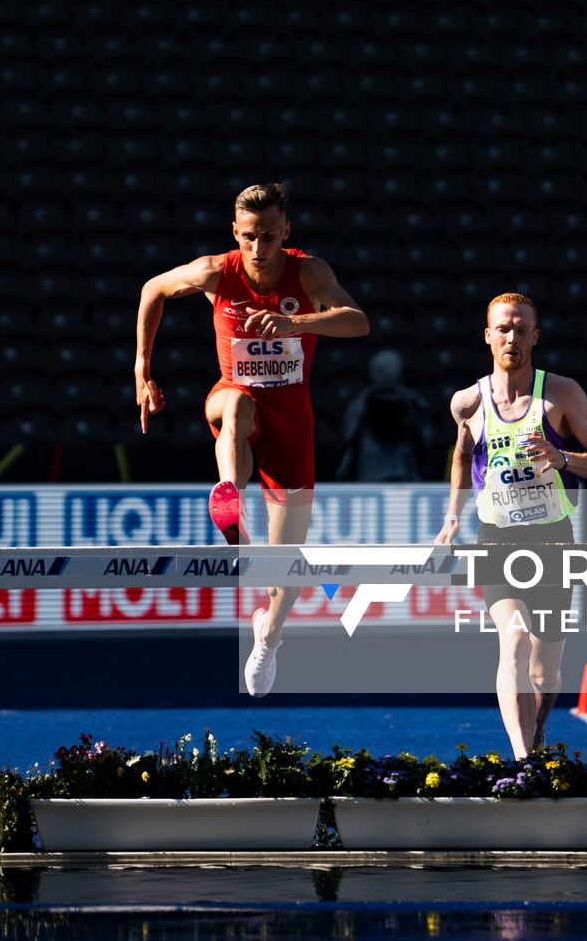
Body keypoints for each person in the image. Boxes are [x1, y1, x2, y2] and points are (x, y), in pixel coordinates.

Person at [133, 182, 370, 696]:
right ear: (234, 233)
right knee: (237, 406)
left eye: (268, 237)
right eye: (248, 237)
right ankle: (229, 497)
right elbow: (153, 288)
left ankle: (269, 635)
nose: (258, 249)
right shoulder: (216, 271)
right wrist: (141, 368)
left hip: (292, 419)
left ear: (286, 231)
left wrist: (294, 321)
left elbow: (357, 321)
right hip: (234, 393)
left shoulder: (309, 270)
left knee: (289, 565)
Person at [432, 293, 587, 759]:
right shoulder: (467, 402)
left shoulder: (562, 394)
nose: (511, 337)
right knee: (511, 637)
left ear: (535, 336)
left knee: (545, 670)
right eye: (503, 329)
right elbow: (460, 456)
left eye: (520, 329)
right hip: (497, 540)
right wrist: (452, 517)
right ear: (488, 335)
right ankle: (523, 758)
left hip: (553, 540)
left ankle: (536, 733)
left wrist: (563, 457)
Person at [336, 349, 437, 482]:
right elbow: (349, 436)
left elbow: (426, 437)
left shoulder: (414, 402)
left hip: (404, 473)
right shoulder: (360, 404)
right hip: (370, 473)